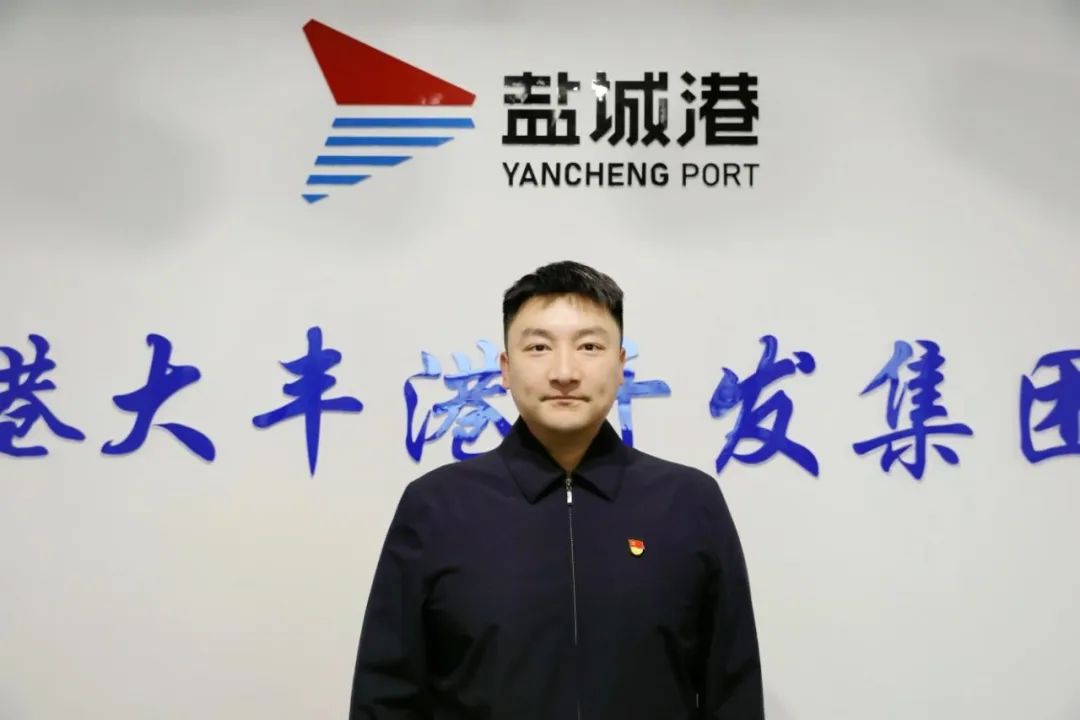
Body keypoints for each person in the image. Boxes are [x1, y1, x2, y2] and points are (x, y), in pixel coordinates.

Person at [348, 261, 764, 719]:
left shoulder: (689, 502)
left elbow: (733, 693)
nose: (564, 371)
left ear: (620, 365)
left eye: (589, 346)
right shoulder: (437, 506)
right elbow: (385, 696)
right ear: (505, 369)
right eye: (539, 347)